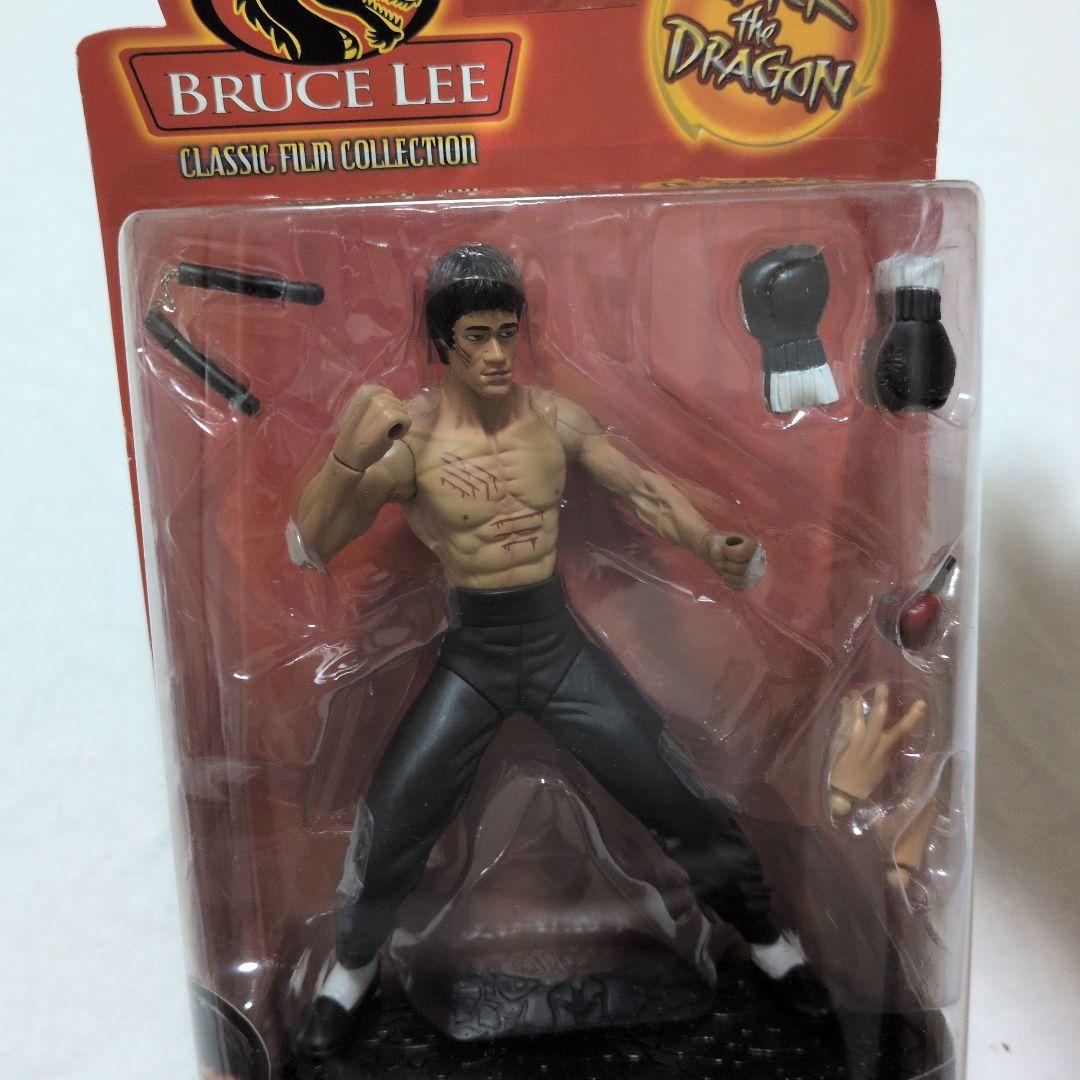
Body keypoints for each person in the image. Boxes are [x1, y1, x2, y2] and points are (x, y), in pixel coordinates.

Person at [289, 243, 829, 1056]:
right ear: (443, 343)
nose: (496, 353)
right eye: (477, 336)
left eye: (507, 331)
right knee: (396, 813)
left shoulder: (551, 420)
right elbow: (309, 545)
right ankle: (353, 967)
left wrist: (707, 542)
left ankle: (768, 942)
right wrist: (344, 457)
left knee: (675, 796)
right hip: (474, 654)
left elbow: (641, 488)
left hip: (554, 644)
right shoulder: (411, 440)